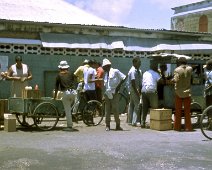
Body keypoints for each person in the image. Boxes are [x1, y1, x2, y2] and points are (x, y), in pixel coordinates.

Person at [1, 55, 32, 126]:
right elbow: (7, 77)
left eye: (20, 62)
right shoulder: (12, 67)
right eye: (18, 62)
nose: (19, 64)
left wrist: (26, 78)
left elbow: (31, 76)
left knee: (24, 102)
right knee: (16, 102)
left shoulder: (25, 66)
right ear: (16, 62)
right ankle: (13, 121)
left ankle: (24, 120)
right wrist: (16, 78)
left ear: (21, 61)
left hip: (25, 87)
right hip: (16, 88)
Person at [102, 58, 126, 131]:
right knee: (107, 110)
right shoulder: (105, 74)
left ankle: (117, 125)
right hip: (107, 93)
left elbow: (124, 77)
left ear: (107, 66)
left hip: (114, 93)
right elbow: (105, 85)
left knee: (115, 109)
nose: (103, 68)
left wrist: (118, 86)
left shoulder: (115, 71)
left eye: (104, 67)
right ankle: (107, 125)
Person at [54, 60, 78, 132]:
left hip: (66, 93)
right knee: (69, 107)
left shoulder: (58, 75)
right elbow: (76, 79)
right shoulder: (71, 73)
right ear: (67, 67)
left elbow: (56, 87)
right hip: (73, 92)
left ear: (60, 68)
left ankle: (69, 126)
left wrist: (55, 97)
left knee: (67, 110)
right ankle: (72, 113)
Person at [172, 57, 193, 132]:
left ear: (179, 62)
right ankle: (188, 127)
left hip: (179, 93)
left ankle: (177, 127)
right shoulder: (190, 69)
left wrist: (172, 80)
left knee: (178, 111)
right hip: (187, 92)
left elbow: (176, 80)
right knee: (187, 111)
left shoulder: (177, 70)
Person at [141, 61, 161, 128]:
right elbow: (161, 81)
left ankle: (142, 122)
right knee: (154, 108)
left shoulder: (145, 73)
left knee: (145, 108)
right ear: (155, 67)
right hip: (152, 91)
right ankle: (154, 123)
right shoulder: (156, 74)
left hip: (144, 91)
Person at [127, 56, 142, 126]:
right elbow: (133, 83)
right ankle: (134, 121)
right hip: (134, 89)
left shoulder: (138, 70)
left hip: (135, 89)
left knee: (132, 105)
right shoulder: (132, 71)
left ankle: (130, 121)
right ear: (134, 63)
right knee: (137, 105)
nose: (140, 64)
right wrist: (137, 92)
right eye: (139, 62)